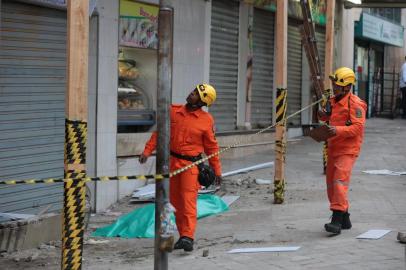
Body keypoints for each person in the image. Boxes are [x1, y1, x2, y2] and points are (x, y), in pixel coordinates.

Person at [139, 84, 222, 251]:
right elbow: (159, 133)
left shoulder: (206, 120)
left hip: (191, 166)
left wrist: (217, 171)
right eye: (192, 91)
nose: (190, 94)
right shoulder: (174, 111)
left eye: (195, 94)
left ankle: (188, 237)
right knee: (174, 202)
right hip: (172, 164)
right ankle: (182, 235)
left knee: (188, 202)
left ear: (202, 101)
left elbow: (212, 148)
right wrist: (147, 151)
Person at [318, 67, 367, 234]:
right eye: (334, 84)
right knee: (331, 185)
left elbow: (357, 128)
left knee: (339, 182)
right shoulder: (332, 101)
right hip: (333, 147)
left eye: (337, 85)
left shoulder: (356, 104)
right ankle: (345, 219)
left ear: (347, 86)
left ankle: (336, 221)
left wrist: (336, 130)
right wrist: (322, 114)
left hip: (348, 150)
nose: (334, 87)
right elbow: (326, 117)